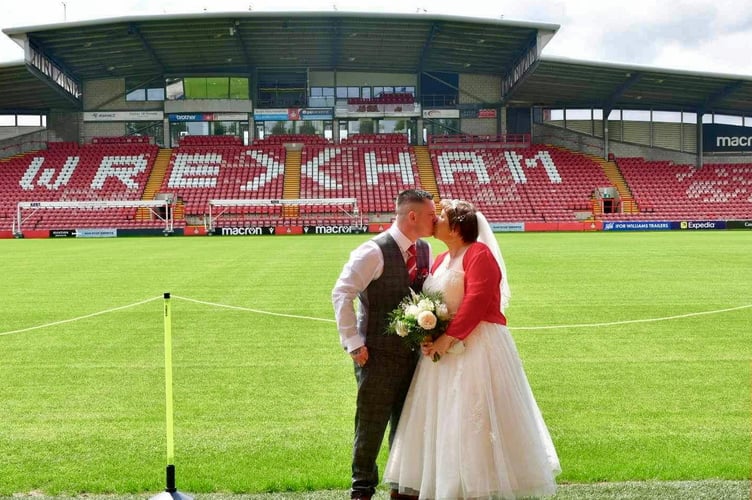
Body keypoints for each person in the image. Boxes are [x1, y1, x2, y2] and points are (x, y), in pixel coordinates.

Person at [383, 199, 561, 499]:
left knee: (471, 417)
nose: (435, 220)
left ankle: (475, 485)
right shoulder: (440, 260)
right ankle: (442, 481)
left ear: (455, 226)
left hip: (478, 346)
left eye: (441, 216)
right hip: (440, 354)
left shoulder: (479, 254)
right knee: (442, 417)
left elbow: (476, 301)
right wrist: (427, 331)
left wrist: (447, 337)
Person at [332, 189, 437, 500]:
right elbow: (342, 293)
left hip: (412, 356)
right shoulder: (372, 251)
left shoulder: (425, 250)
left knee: (406, 425)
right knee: (371, 424)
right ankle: (362, 489)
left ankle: (401, 487)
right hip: (375, 354)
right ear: (413, 216)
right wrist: (353, 342)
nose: (436, 220)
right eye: (431, 215)